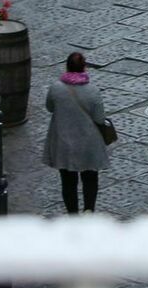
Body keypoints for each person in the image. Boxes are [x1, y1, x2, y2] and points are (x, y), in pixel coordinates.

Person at [43, 52, 111, 213]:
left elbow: (49, 108)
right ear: (84, 68)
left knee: (68, 182)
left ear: (67, 67)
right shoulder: (93, 91)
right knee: (90, 179)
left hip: (64, 144)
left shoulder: (56, 88)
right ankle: (88, 210)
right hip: (88, 144)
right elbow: (100, 119)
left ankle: (72, 214)